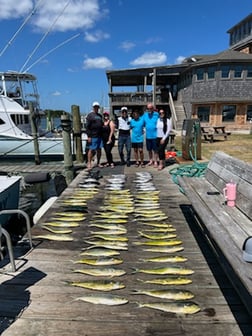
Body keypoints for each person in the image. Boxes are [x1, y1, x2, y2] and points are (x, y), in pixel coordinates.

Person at [85, 101, 103, 169]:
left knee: (99, 150)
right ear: (93, 107)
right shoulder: (90, 115)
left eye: (97, 107)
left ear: (98, 107)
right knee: (91, 150)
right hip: (93, 136)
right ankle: (89, 163)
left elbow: (101, 125)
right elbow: (87, 127)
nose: (96, 108)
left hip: (99, 136)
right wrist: (89, 136)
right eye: (95, 107)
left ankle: (98, 162)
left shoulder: (100, 116)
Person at [143, 103, 159, 167]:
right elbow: (141, 122)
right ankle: (150, 160)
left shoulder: (157, 114)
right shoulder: (145, 115)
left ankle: (155, 161)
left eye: (151, 108)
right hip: (148, 136)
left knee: (155, 150)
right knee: (149, 150)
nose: (149, 109)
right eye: (148, 108)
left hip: (155, 135)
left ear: (153, 108)